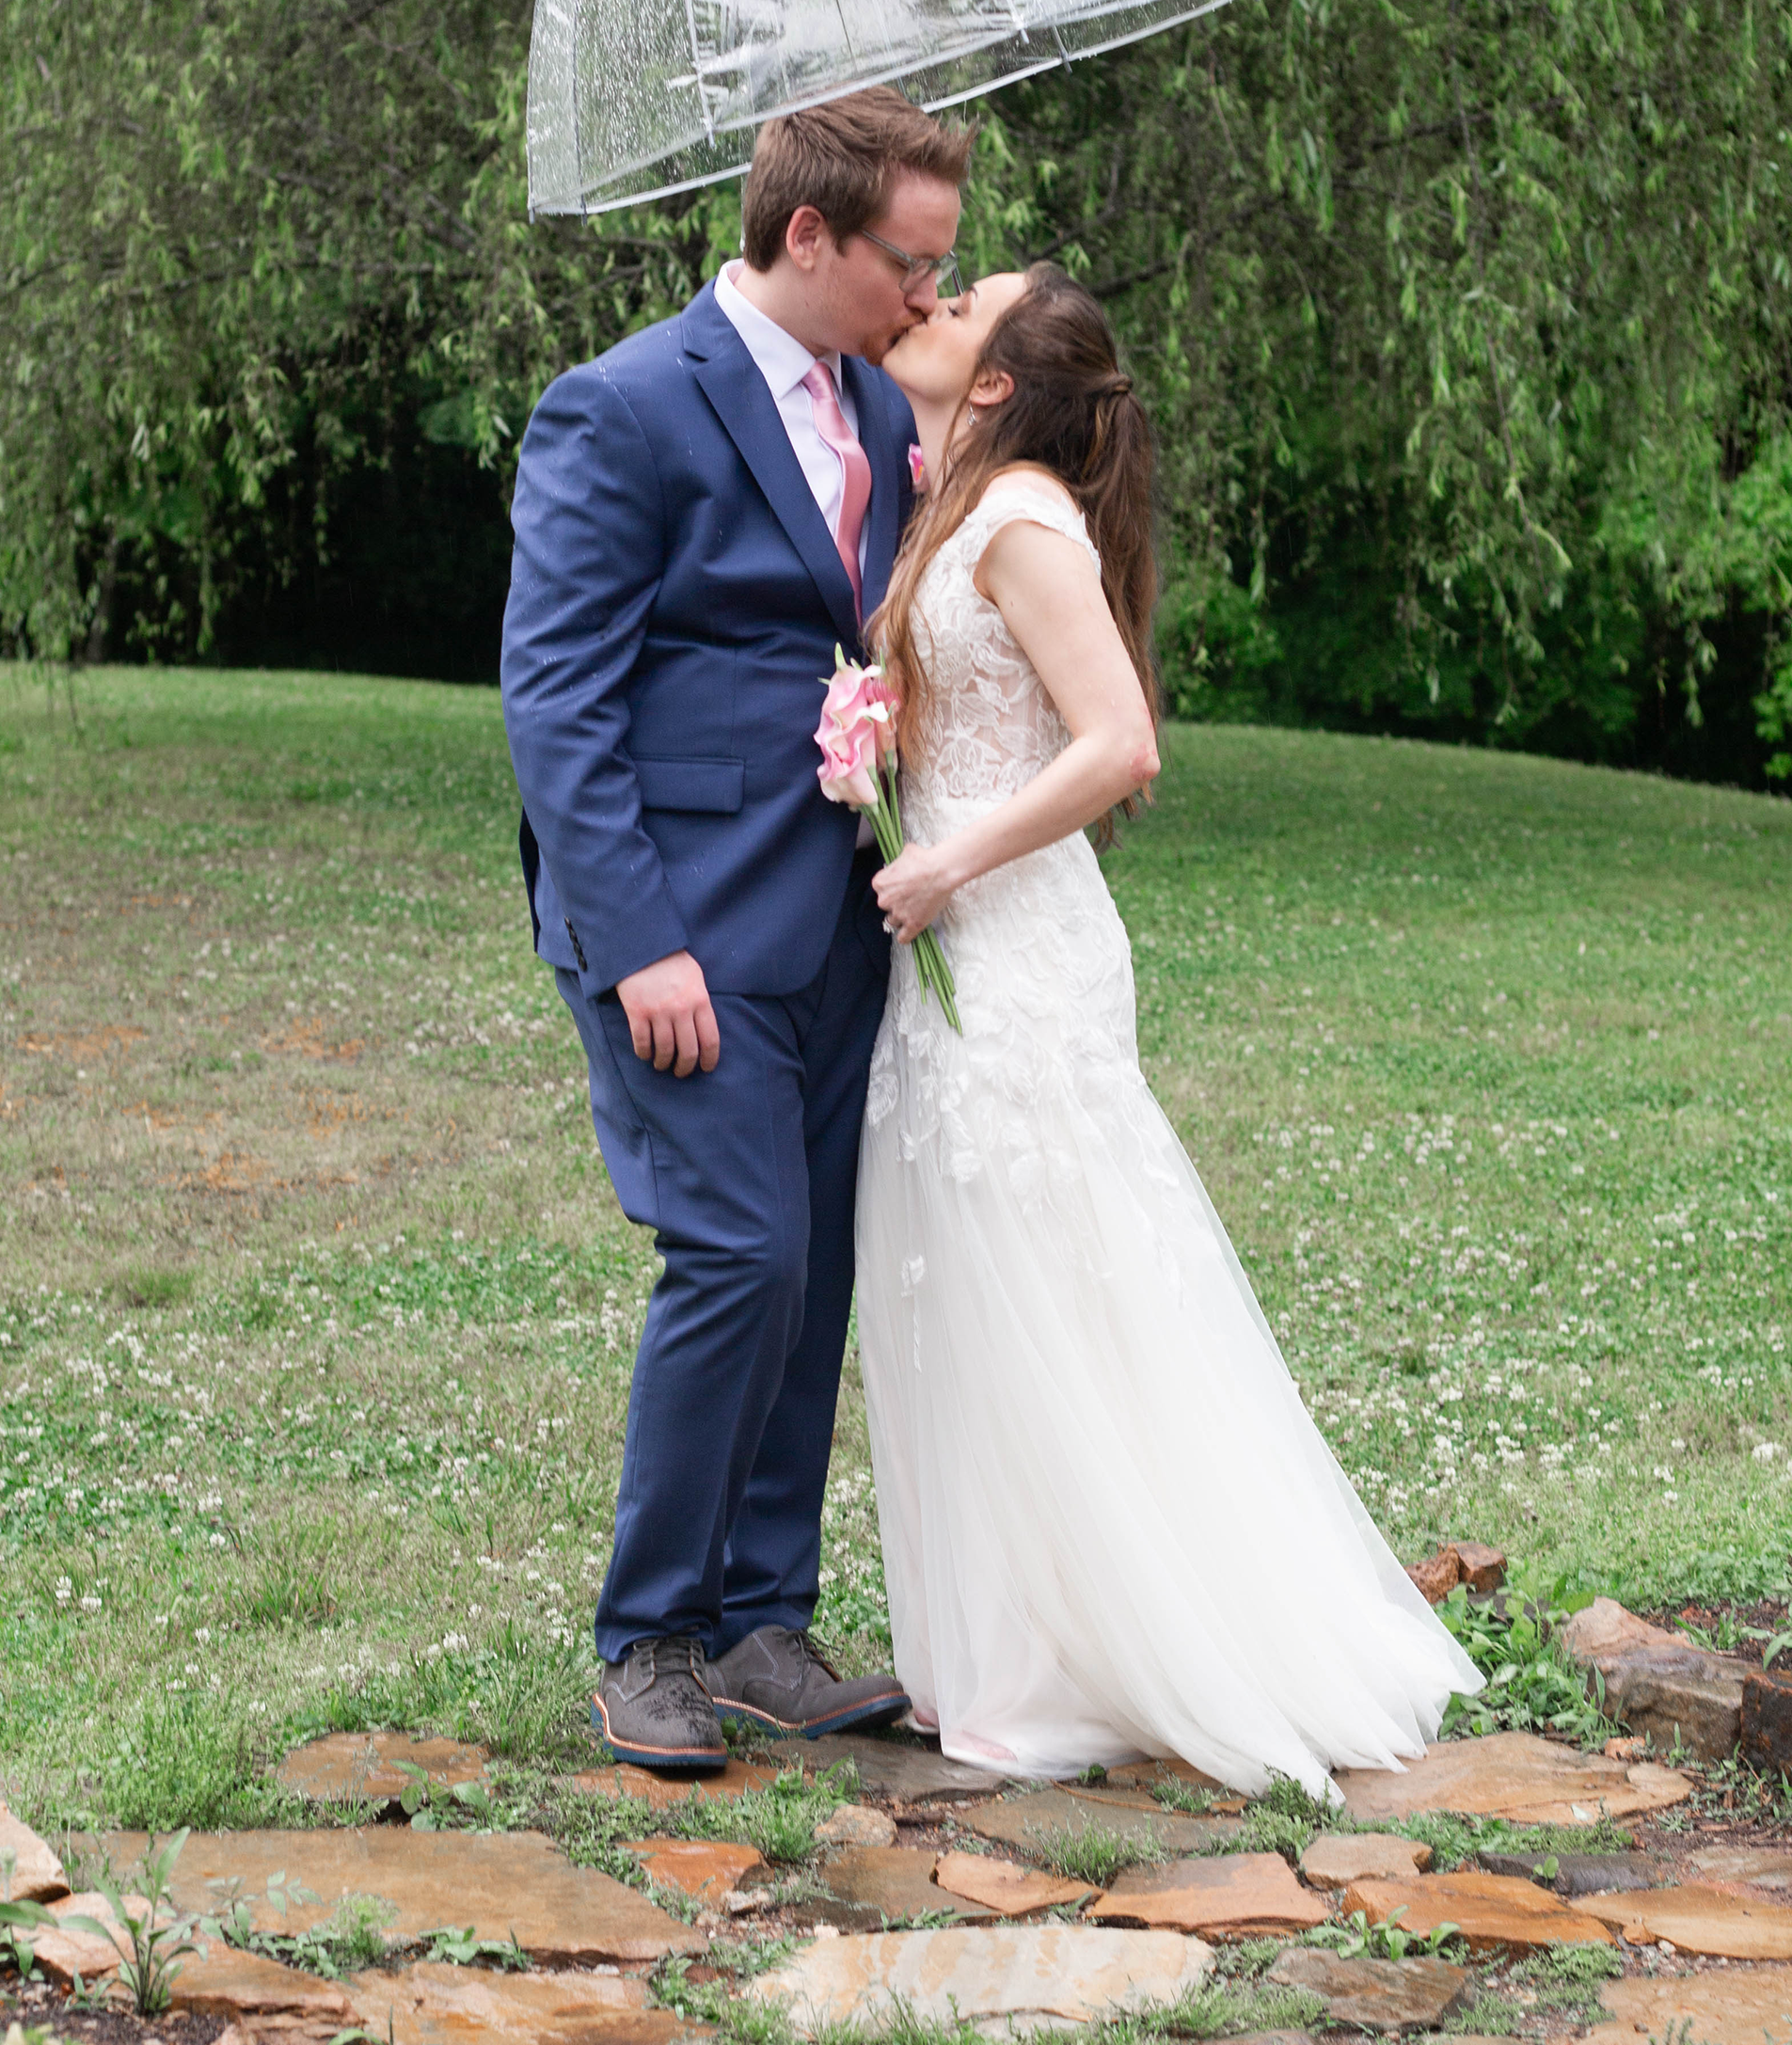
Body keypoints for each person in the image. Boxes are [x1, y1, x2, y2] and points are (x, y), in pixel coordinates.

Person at [855, 262, 1481, 1789]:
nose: (927, 306)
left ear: (998, 378)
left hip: (1016, 952)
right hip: (957, 947)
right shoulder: (953, 498)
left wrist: (944, 854)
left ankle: (1130, 1637)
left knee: (1049, 1288)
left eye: (961, 303)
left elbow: (1121, 742)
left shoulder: (1019, 521)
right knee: (966, 1285)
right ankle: (1003, 1643)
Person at [500, 87, 976, 1772]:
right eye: (909, 266)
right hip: (681, 930)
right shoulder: (621, 408)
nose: (928, 297)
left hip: (841, 913)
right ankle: (649, 1638)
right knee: (739, 1256)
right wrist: (638, 943)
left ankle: (768, 1624)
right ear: (804, 237)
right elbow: (554, 697)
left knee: (819, 1266)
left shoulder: (881, 407)